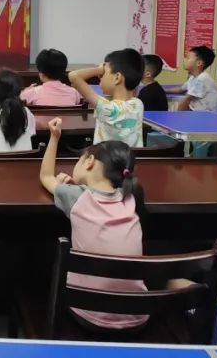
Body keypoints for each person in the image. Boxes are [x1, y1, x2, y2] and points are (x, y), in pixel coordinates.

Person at [39, 118, 147, 329]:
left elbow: (46, 176)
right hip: (137, 318)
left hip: (87, 316)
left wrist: (54, 137)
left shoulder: (77, 197)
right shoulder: (131, 197)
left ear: (89, 161)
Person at [68, 49, 146, 147]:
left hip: (104, 157)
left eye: (104, 73)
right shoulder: (138, 104)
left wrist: (99, 68)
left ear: (117, 78)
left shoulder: (107, 108)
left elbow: (73, 76)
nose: (100, 77)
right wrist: (106, 68)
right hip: (130, 157)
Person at [166, 45, 217, 111]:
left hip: (208, 115)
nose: (184, 59)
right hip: (197, 112)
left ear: (199, 63)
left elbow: (187, 99)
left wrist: (176, 115)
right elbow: (181, 89)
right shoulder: (193, 77)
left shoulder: (202, 79)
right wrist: (164, 91)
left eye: (188, 58)